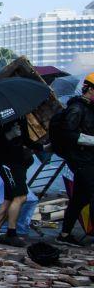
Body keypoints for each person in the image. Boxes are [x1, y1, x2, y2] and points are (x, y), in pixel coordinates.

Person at [0, 116, 38, 247]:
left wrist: (42, 147)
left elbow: (25, 139)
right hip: (7, 163)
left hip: (17, 162)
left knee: (9, 198)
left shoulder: (20, 116)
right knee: (20, 196)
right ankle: (11, 233)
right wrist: (9, 136)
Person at [55, 73, 94, 246]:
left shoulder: (88, 108)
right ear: (90, 89)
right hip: (82, 160)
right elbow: (67, 134)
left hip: (86, 159)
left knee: (80, 198)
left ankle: (64, 235)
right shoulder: (77, 108)